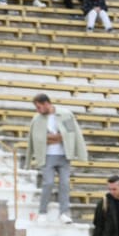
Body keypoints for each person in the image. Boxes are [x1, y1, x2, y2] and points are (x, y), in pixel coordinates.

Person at [27, 93, 86, 224]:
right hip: (47, 156)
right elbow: (38, 139)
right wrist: (57, 137)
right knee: (48, 183)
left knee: (65, 184)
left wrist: (54, 137)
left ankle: (64, 213)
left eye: (39, 107)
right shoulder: (37, 119)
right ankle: (42, 212)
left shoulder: (65, 114)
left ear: (46, 104)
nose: (37, 110)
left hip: (64, 155)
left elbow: (70, 133)